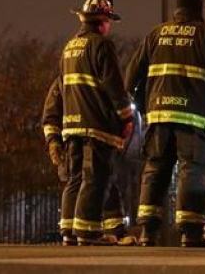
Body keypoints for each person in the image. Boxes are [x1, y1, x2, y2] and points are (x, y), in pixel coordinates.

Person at [126, 0, 205, 247]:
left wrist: (143, 105)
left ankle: (148, 232)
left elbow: (130, 78)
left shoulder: (155, 34)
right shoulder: (203, 35)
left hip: (159, 116)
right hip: (193, 119)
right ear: (199, 10)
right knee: (191, 171)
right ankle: (191, 233)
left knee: (155, 170)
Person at [57, 0, 135, 245]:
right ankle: (88, 231)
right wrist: (126, 117)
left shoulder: (69, 47)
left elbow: (60, 88)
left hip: (72, 124)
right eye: (109, 20)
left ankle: (69, 231)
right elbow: (114, 86)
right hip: (96, 124)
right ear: (102, 20)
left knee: (76, 178)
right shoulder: (101, 45)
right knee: (95, 178)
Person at [42, 79, 135, 245]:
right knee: (93, 180)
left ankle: (77, 232)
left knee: (100, 181)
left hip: (85, 139)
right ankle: (85, 231)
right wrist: (53, 141)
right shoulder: (66, 81)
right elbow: (51, 115)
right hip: (84, 140)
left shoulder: (71, 79)